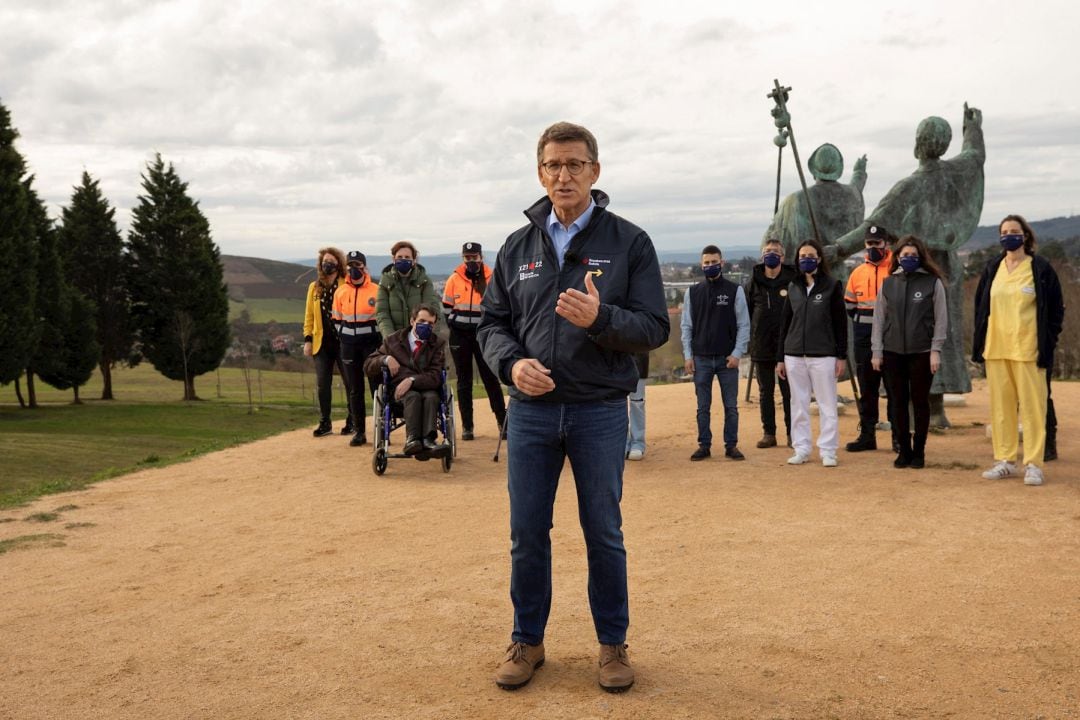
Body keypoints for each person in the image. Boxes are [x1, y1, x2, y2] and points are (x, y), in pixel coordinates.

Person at [478, 121, 669, 693]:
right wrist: (511, 365)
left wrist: (601, 319)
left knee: (603, 532)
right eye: (554, 166)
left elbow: (655, 327)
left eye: (575, 165)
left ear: (595, 171)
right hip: (532, 413)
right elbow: (492, 324)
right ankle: (527, 641)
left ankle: (612, 646)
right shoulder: (517, 246)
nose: (564, 175)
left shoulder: (629, 242)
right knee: (526, 532)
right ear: (541, 172)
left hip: (598, 411)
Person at [971, 215, 1064, 486]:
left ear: (1025, 236)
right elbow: (981, 308)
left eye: (1014, 231)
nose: (1009, 235)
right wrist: (979, 343)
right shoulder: (993, 268)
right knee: (1001, 409)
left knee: (1034, 409)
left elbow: (1056, 310)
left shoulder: (1040, 268)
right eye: (1004, 231)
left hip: (1028, 349)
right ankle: (1005, 460)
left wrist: (1048, 341)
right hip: (997, 348)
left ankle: (1034, 464)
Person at [870, 235, 947, 469]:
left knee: (920, 402)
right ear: (897, 258)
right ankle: (903, 450)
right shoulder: (889, 284)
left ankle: (919, 451)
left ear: (921, 257)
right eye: (905, 256)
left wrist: (936, 350)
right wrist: (877, 351)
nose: (909, 259)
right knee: (898, 403)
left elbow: (941, 319)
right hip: (892, 352)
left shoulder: (933, 283)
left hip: (922, 352)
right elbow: (878, 320)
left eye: (913, 255)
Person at [777, 239, 847, 467]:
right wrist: (780, 357)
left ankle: (828, 450)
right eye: (802, 256)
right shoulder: (793, 287)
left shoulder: (832, 285)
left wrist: (841, 355)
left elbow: (840, 323)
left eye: (811, 256)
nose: (806, 259)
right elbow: (785, 323)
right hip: (794, 354)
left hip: (823, 355)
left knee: (827, 405)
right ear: (797, 260)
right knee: (798, 404)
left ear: (818, 259)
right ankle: (802, 448)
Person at [682, 245, 750, 461]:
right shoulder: (692, 293)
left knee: (731, 406)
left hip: (727, 360)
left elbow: (744, 325)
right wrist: (687, 355)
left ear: (722, 263)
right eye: (706, 263)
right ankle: (704, 445)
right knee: (703, 407)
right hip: (701, 359)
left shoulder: (734, 290)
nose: (710, 266)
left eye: (714, 262)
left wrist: (737, 353)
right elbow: (686, 327)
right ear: (702, 265)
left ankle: (731, 445)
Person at [764, 142, 867, 279]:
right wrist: (859, 172)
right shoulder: (850, 195)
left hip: (806, 276)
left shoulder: (796, 199)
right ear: (838, 169)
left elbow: (776, 237)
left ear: (813, 171)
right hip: (838, 276)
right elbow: (856, 189)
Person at [441, 242, 507, 440]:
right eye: (467, 258)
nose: (471, 261)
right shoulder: (454, 278)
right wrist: (455, 324)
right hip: (460, 335)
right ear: (463, 258)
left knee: (490, 378)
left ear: (481, 257)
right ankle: (467, 427)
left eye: (474, 257)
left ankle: (502, 422)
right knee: (464, 380)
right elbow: (446, 308)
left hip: (483, 334)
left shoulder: (492, 277)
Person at [363, 303, 447, 455]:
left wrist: (412, 380)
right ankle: (412, 440)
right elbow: (368, 365)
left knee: (431, 396)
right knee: (413, 396)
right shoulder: (393, 341)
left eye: (430, 323)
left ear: (434, 326)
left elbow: (435, 376)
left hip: (426, 388)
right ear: (412, 321)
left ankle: (428, 440)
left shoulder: (437, 344)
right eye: (421, 321)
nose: (425, 325)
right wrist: (385, 359)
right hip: (399, 394)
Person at [844, 224, 895, 453]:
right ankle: (867, 435)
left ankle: (898, 436)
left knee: (895, 389)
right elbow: (849, 305)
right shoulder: (857, 272)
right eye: (869, 243)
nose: (873, 247)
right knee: (867, 388)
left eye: (878, 243)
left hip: (892, 337)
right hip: (863, 338)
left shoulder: (896, 268)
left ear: (886, 243)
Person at [746, 238, 797, 448]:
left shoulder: (793, 281)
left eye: (775, 251)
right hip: (762, 346)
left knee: (789, 392)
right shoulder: (753, 283)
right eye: (767, 251)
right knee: (765, 392)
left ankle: (792, 433)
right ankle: (769, 433)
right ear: (762, 256)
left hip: (788, 346)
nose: (771, 255)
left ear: (783, 257)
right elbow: (747, 313)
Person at [332, 251, 381, 447]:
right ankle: (359, 431)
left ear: (364, 267)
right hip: (348, 346)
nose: (354, 269)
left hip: (371, 345)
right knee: (354, 389)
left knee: (376, 388)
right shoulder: (340, 292)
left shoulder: (376, 291)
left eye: (358, 265)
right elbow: (336, 319)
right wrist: (344, 336)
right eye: (350, 265)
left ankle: (382, 429)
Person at [303, 246, 353, 437]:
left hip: (343, 341)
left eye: (331, 261)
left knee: (350, 382)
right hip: (321, 343)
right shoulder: (314, 287)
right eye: (325, 261)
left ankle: (352, 420)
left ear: (339, 264)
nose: (327, 264)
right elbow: (309, 315)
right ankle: (325, 422)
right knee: (323, 383)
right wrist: (308, 339)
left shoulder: (346, 284)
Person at [375, 241, 442, 338]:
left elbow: (433, 310)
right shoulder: (386, 281)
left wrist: (429, 338)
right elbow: (382, 313)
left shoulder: (424, 281)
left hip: (420, 338)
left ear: (414, 260)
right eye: (399, 257)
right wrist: (390, 338)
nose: (403, 260)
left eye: (407, 257)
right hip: (395, 340)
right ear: (393, 259)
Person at [625, 352, 649, 461]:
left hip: (639, 361)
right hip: (613, 363)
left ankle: (638, 443)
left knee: (637, 403)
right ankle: (622, 442)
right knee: (618, 403)